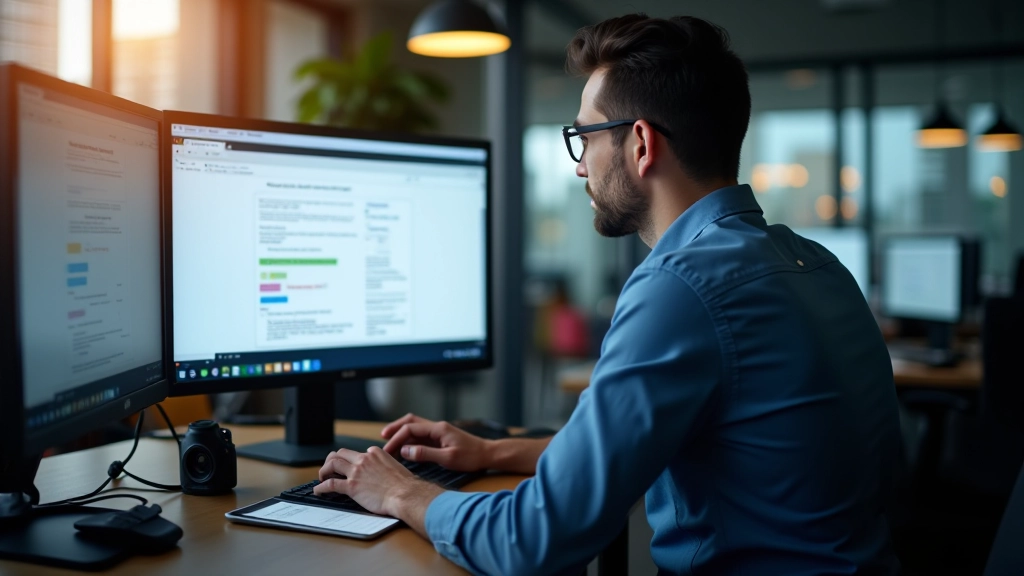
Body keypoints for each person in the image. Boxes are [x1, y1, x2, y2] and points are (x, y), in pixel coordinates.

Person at [314, 13, 901, 575]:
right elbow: (629, 448)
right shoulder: (816, 263)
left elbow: (535, 541)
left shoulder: (681, 287)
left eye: (584, 137)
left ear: (641, 144)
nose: (579, 168)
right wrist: (491, 453)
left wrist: (401, 493)